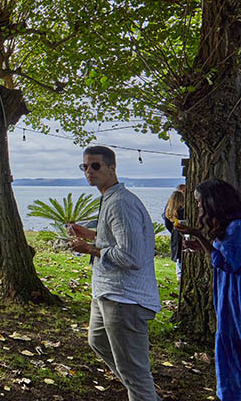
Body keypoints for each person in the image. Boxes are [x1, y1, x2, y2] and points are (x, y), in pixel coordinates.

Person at [69, 146, 161, 401]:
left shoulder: (120, 203)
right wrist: (91, 235)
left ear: (112, 168)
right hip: (106, 293)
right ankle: (145, 395)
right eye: (85, 166)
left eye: (95, 166)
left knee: (134, 372)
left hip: (124, 299)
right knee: (97, 341)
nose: (89, 171)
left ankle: (144, 395)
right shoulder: (109, 198)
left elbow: (130, 256)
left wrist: (89, 248)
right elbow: (117, 240)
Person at [175, 180, 241, 400]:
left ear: (214, 202)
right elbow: (221, 256)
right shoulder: (230, 227)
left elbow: (231, 263)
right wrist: (201, 244)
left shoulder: (237, 227)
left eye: (200, 202)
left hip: (235, 300)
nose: (199, 208)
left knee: (234, 348)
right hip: (227, 299)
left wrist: (199, 235)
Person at [162, 190, 185, 280]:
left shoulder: (169, 212)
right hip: (183, 234)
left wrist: (173, 232)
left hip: (175, 236)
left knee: (178, 258)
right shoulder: (184, 211)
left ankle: (179, 276)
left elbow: (167, 225)